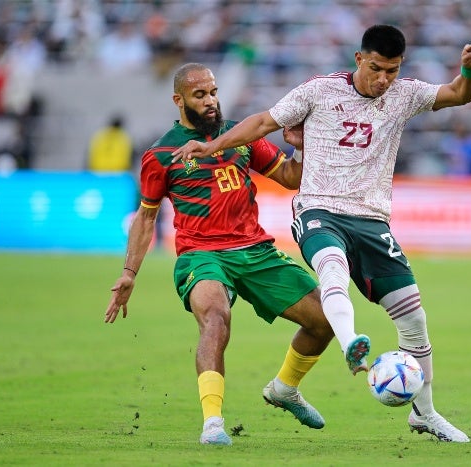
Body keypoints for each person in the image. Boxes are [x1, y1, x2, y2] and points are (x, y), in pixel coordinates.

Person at [172, 25, 471, 443]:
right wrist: (213, 148)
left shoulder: (404, 94)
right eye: (376, 68)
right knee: (332, 269)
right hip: (319, 208)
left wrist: (468, 71)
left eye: (392, 71)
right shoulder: (319, 91)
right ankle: (350, 342)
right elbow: (264, 122)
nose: (383, 79)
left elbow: (458, 95)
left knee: (414, 318)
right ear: (359, 59)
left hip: (373, 221)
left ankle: (424, 413)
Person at [104, 63, 334, 446]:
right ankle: (213, 422)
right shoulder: (161, 154)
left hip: (255, 250)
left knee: (326, 320)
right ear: (178, 100)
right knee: (215, 317)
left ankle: (285, 388)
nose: (211, 101)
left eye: (213, 92)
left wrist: (302, 143)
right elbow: (146, 218)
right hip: (202, 254)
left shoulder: (240, 136)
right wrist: (129, 273)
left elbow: (291, 177)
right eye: (200, 95)